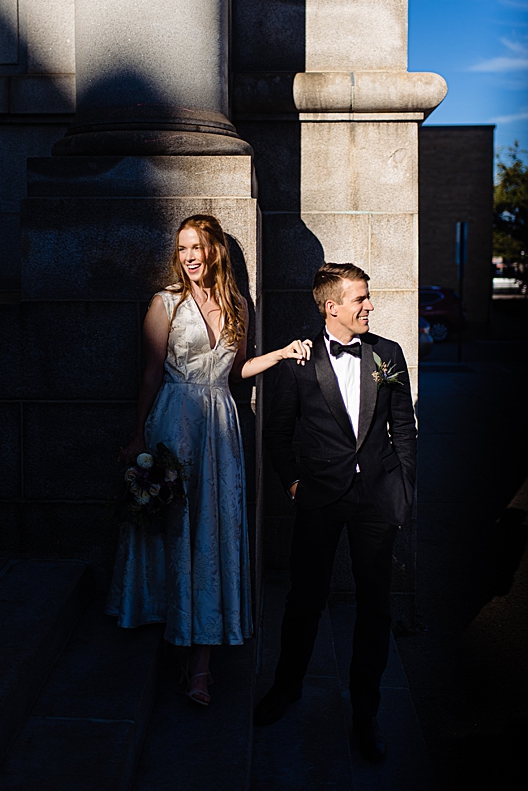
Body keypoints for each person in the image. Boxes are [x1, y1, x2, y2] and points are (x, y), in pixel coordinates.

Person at [106, 214, 311, 707]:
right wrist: (138, 435)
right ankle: (175, 632)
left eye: (196, 247)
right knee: (174, 528)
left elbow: (239, 370)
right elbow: (151, 374)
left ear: (215, 250)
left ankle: (202, 664)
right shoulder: (166, 303)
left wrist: (281, 353)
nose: (189, 256)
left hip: (221, 427)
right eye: (181, 249)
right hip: (174, 422)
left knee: (214, 534)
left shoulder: (238, 304)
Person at [253, 262, 417, 762]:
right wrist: (295, 484)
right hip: (320, 499)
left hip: (376, 502)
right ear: (333, 307)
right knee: (305, 599)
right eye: (360, 299)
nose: (369, 305)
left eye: (367, 298)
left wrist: (402, 490)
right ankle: (287, 688)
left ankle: (365, 714)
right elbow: (278, 435)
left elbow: (404, 429)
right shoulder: (298, 362)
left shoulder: (387, 354)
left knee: (375, 606)